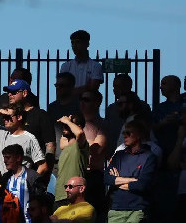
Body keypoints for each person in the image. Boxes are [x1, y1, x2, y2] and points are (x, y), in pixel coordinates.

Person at [104, 119, 157, 222]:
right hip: (116, 209)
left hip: (137, 209)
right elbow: (107, 178)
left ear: (139, 135)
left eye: (128, 133)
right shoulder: (118, 156)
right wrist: (133, 180)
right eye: (124, 132)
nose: (124, 135)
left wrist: (117, 180)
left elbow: (142, 185)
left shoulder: (149, 157)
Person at [0, 102, 47, 175]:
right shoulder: (0, 131)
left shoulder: (29, 138)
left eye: (8, 117)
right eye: (4, 117)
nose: (5, 120)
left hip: (17, 184)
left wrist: (29, 182)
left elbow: (43, 166)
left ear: (19, 117)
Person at [4, 79, 56, 173]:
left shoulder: (40, 115)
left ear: (24, 93)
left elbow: (50, 146)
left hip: (32, 173)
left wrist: (45, 175)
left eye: (14, 92)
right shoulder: (7, 116)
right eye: (9, 92)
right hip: (8, 175)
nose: (10, 95)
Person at [78, 90, 107, 219]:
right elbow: (63, 145)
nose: (82, 103)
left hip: (94, 176)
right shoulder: (75, 125)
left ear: (97, 103)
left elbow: (95, 150)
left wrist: (78, 142)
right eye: (81, 99)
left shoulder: (103, 124)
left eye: (86, 99)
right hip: (77, 174)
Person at [1, 145, 45, 223]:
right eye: (4, 157)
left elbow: (40, 202)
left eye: (8, 157)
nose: (4, 161)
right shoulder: (5, 177)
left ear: (18, 158)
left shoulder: (32, 177)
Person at [54, 115, 88, 209]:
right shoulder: (66, 148)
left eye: (68, 124)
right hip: (60, 195)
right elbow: (62, 143)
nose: (64, 127)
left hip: (74, 196)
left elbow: (80, 133)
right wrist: (67, 122)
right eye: (64, 125)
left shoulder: (80, 145)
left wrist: (68, 121)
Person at [59, 30, 103, 96]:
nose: (74, 45)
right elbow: (62, 89)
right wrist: (87, 87)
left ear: (87, 44)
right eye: (72, 43)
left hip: (87, 104)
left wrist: (70, 91)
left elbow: (93, 88)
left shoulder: (95, 66)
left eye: (77, 42)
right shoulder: (66, 66)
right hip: (71, 104)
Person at [47, 72, 79, 161]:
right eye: (57, 85)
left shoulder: (79, 106)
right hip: (55, 157)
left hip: (73, 156)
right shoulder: (52, 107)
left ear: (71, 87)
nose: (58, 88)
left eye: (62, 85)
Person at [153, 75, 182, 158]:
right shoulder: (159, 108)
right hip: (165, 150)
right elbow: (150, 128)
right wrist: (163, 122)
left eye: (164, 84)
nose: (160, 87)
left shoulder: (183, 104)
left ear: (175, 85)